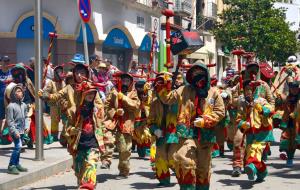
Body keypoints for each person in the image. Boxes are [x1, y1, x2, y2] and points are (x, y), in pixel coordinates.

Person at [157, 61, 225, 189]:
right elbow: (167, 98)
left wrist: (206, 120)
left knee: (203, 170)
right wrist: (164, 84)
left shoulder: (214, 92)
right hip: (187, 134)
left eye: (200, 73)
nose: (197, 77)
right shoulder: (184, 89)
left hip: (206, 136)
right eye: (194, 74)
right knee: (184, 162)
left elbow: (220, 112)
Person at [237, 63, 275, 182]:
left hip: (263, 126)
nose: (252, 73)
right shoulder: (244, 87)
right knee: (250, 152)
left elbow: (272, 104)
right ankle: (262, 172)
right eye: (250, 70)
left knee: (256, 149)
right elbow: (240, 116)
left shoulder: (264, 86)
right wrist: (242, 124)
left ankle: (252, 168)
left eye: (255, 70)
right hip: (249, 129)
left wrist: (264, 109)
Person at [104, 73, 140, 179]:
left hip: (126, 124)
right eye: (123, 80)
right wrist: (115, 112)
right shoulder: (113, 91)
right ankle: (106, 160)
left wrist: (124, 98)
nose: (124, 83)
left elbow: (136, 106)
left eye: (127, 81)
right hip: (113, 122)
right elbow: (107, 105)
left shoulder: (133, 93)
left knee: (124, 149)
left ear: (130, 83)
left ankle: (124, 171)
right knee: (107, 139)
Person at [148, 72, 180, 187]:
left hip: (175, 132)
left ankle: (180, 172)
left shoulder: (178, 97)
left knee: (173, 157)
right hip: (160, 133)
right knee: (160, 157)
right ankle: (164, 180)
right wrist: (155, 129)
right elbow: (150, 120)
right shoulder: (155, 103)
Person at [7, 84, 30, 175]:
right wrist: (14, 132)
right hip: (15, 131)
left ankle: (17, 164)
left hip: (21, 130)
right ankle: (11, 165)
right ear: (13, 94)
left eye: (21, 91)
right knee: (18, 147)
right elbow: (10, 121)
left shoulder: (24, 105)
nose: (20, 92)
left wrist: (26, 126)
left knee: (19, 147)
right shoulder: (10, 106)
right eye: (18, 91)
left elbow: (25, 117)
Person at [279, 78, 300, 167]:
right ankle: (289, 158)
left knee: (297, 141)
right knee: (288, 141)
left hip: (298, 123)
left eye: (295, 88)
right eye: (292, 88)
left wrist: (295, 113)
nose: (294, 90)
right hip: (289, 122)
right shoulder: (288, 97)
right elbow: (283, 107)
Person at [43, 65, 66, 142]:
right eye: (58, 71)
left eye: (61, 71)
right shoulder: (51, 82)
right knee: (54, 120)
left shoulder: (63, 82)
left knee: (65, 120)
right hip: (54, 105)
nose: (60, 73)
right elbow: (45, 92)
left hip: (63, 105)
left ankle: (64, 135)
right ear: (55, 73)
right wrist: (47, 95)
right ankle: (54, 136)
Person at [132, 80, 152, 158]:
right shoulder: (134, 94)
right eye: (138, 87)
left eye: (141, 87)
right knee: (138, 136)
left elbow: (150, 105)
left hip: (147, 118)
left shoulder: (149, 94)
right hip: (137, 118)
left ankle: (147, 151)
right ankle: (141, 152)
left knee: (147, 135)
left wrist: (144, 101)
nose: (139, 89)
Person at [0, 55, 12, 144]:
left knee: (9, 117)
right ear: (1, 62)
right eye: (4, 61)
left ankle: (4, 134)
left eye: (7, 61)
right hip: (0, 99)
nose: (6, 63)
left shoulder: (12, 72)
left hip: (9, 99)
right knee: (0, 118)